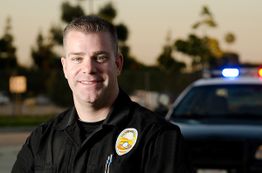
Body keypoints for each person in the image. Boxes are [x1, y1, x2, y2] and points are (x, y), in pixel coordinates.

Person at [12, 15, 191, 173]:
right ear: (65, 67)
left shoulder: (158, 137)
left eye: (100, 57)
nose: (88, 69)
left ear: (118, 64)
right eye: (77, 58)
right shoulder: (41, 140)